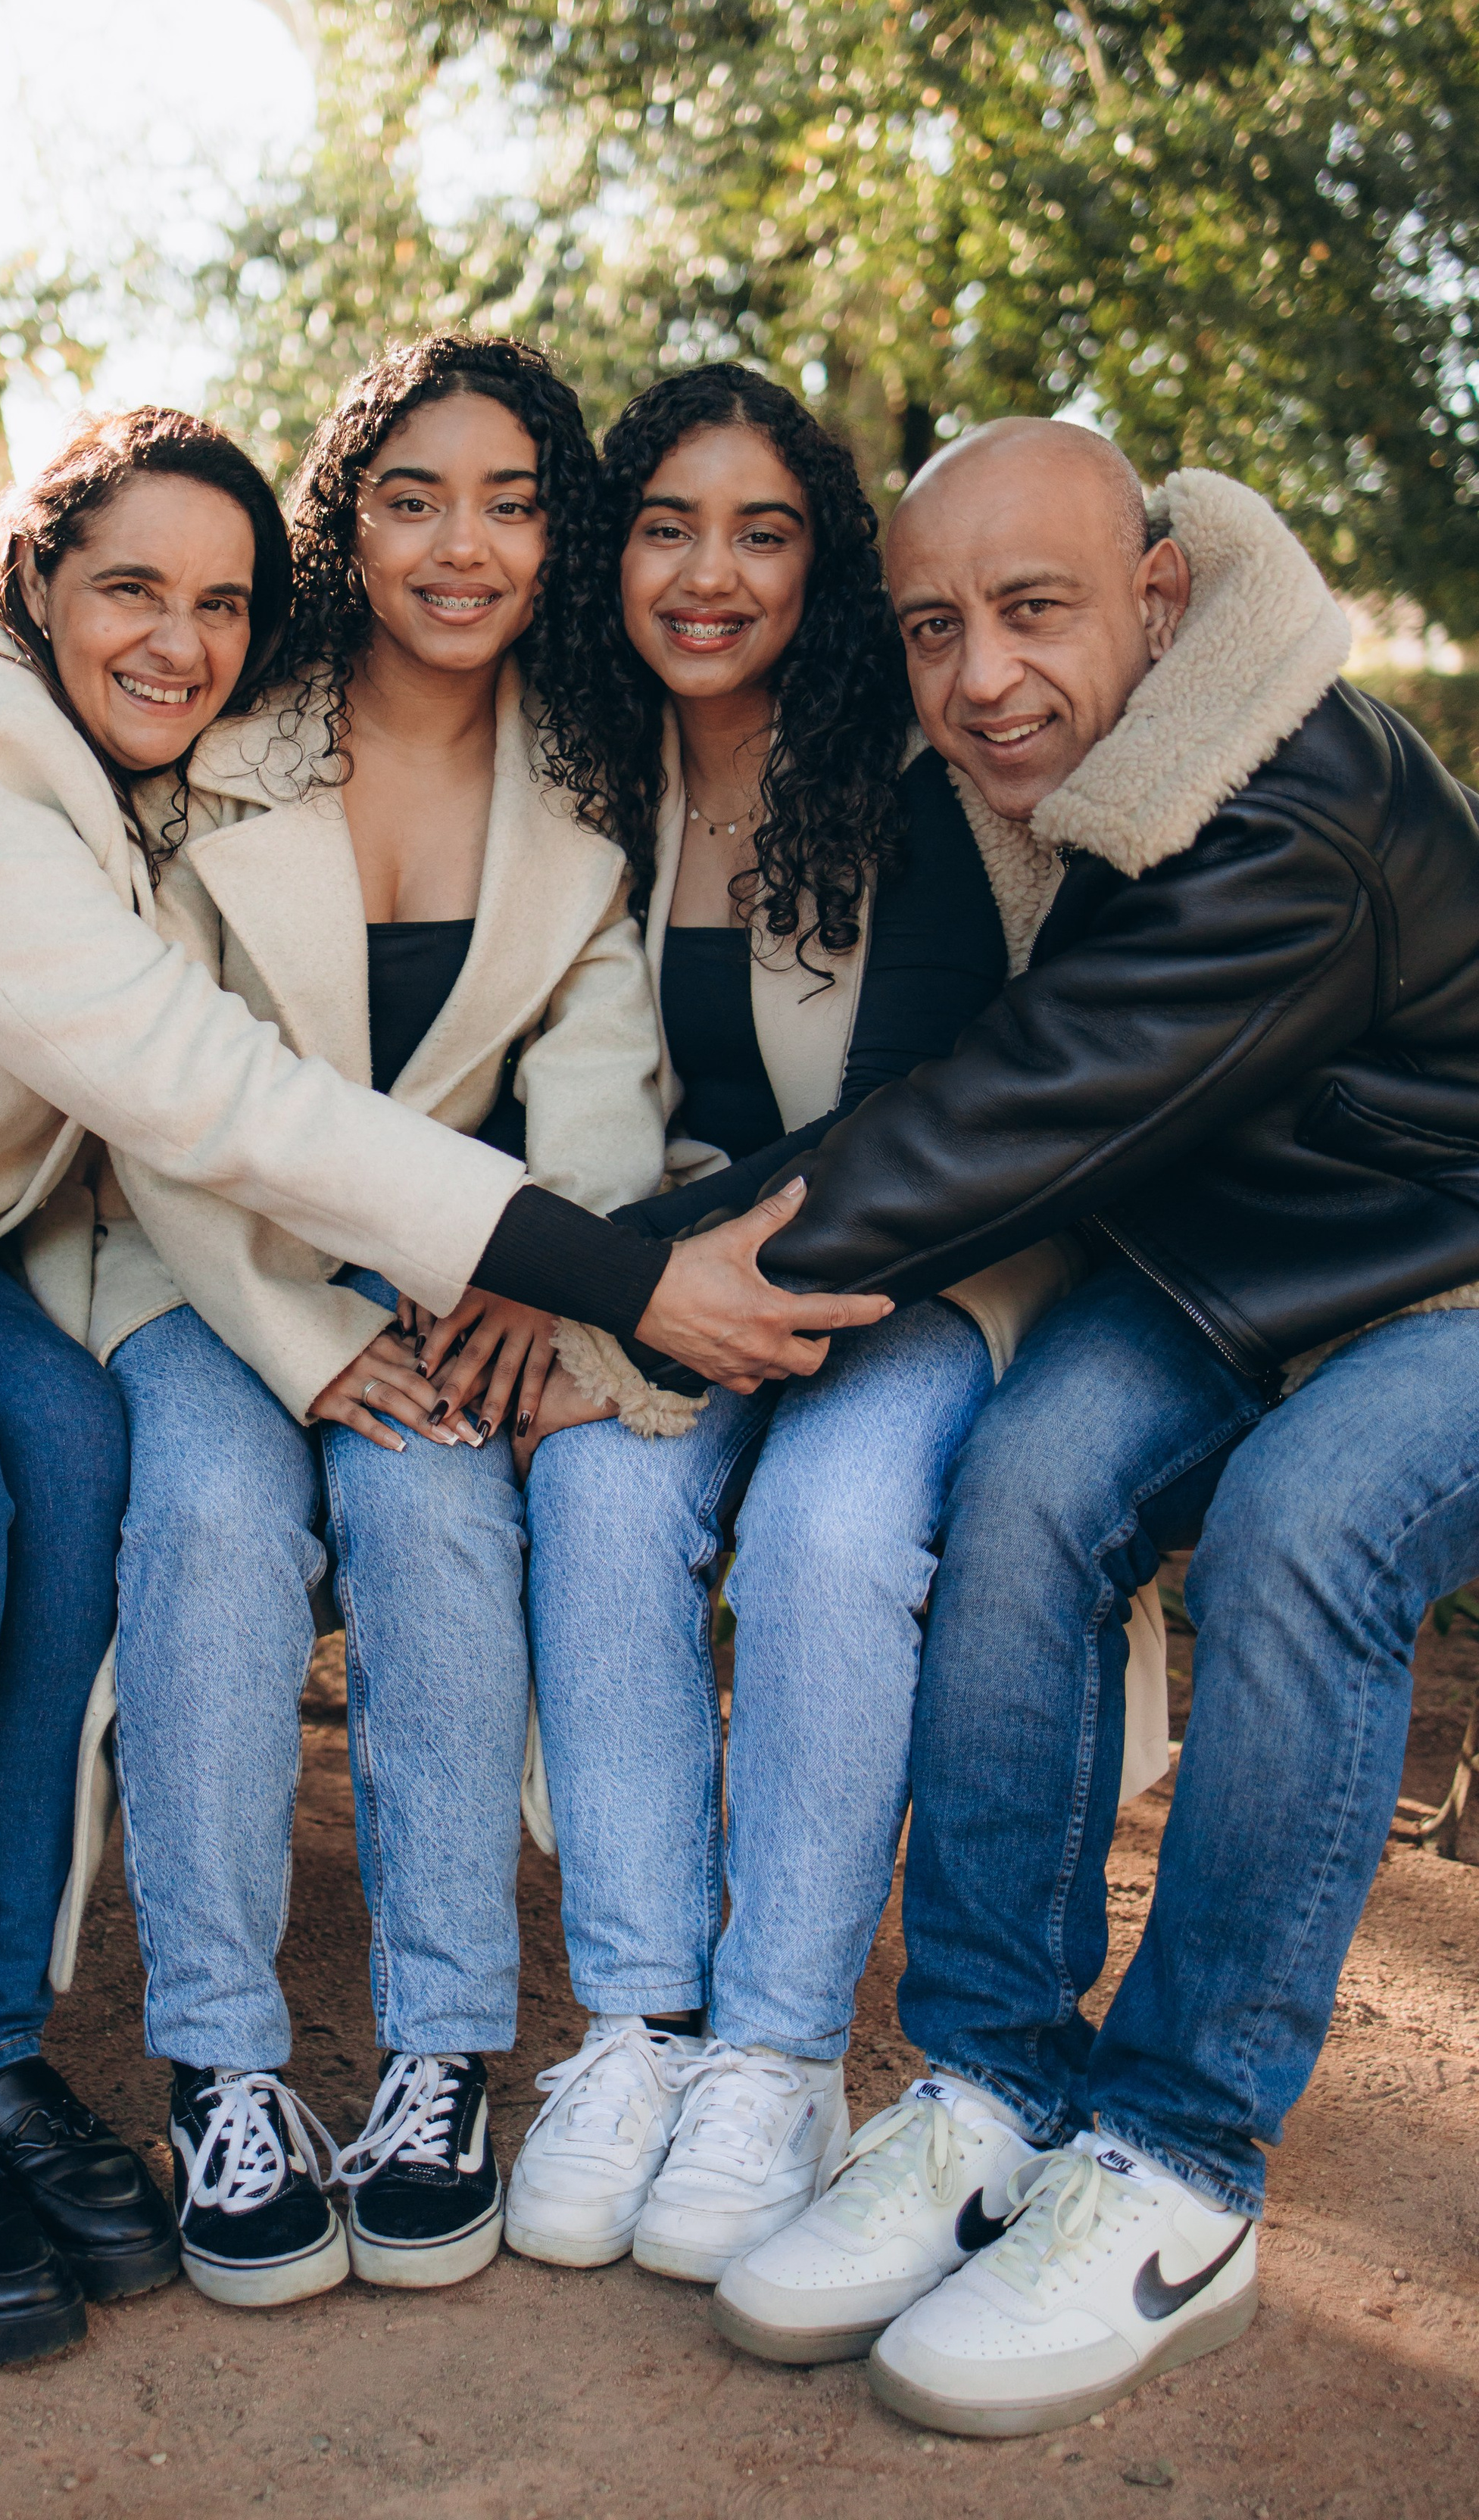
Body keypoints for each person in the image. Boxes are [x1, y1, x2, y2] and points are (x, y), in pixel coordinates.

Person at [0, 406, 864, 2371]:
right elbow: (204, 1093)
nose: (177, 639)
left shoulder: (128, 764)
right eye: (130, 589)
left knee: (64, 1440)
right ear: (34, 578)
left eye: (222, 604)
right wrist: (624, 1280)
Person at [697, 418, 1479, 2435]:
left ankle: (1175, 2165)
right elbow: (955, 1096)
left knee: (1307, 1525)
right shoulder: (1047, 778)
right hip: (1229, 1258)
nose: (982, 679)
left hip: (1448, 1272)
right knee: (1027, 1478)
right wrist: (610, 1254)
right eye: (933, 628)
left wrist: (611, 1295)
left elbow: (993, 1120)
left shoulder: (1290, 797)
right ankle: (989, 2088)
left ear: (1155, 597)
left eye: (1033, 611)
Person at [92, 337, 857, 2309]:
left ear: (554, 535)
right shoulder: (221, 741)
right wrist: (300, 1343)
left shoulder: (582, 773)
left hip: (436, 1261)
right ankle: (222, 2067)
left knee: (438, 1512)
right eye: (414, 498)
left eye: (513, 504)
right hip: (202, 1264)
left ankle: (439, 2059)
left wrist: (549, 1262)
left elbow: (599, 1059)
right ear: (345, 524)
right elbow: (160, 1097)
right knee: (212, 1518)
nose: (464, 545)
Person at [498, 370, 1165, 2283]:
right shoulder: (580, 770)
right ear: (610, 555)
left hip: (927, 1259)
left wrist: (587, 1282)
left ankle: (778, 2054)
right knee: (597, 1496)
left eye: (762, 532)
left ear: (824, 572)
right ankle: (643, 2025)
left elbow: (903, 1129)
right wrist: (600, 1276)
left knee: (830, 1523)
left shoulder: (909, 778)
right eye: (666, 526)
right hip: (671, 1253)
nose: (707, 574)